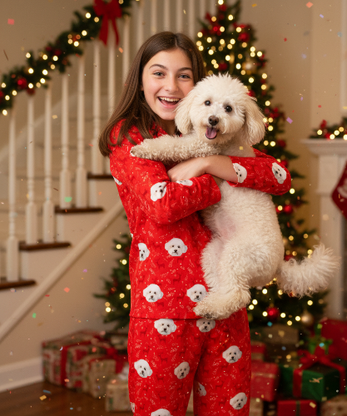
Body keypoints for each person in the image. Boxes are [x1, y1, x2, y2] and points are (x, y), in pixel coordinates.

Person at [99, 31, 291, 416]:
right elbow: (165, 204)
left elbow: (279, 175)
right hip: (165, 306)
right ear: (140, 79)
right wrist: (223, 177)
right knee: (160, 410)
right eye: (159, 73)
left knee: (228, 409)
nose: (171, 86)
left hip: (222, 298)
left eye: (184, 75)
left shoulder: (209, 129)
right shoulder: (128, 137)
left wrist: (208, 162)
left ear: (197, 82)